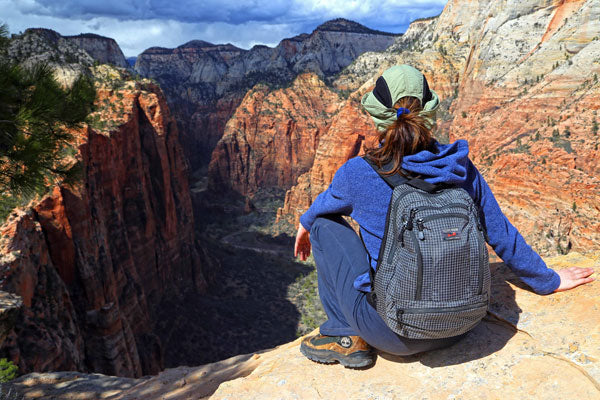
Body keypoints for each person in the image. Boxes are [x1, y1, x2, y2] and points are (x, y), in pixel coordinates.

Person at [293, 64, 595, 368]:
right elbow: (500, 233)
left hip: (392, 333)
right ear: (431, 113)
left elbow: (320, 210)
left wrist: (305, 225)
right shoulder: (459, 166)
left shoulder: (357, 173)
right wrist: (548, 280)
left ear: (377, 115)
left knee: (323, 225)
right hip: (462, 326)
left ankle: (342, 335)